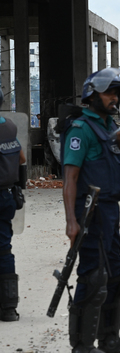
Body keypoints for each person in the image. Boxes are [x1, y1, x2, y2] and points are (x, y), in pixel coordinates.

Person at [62, 68, 120, 353]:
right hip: (89, 212)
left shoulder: (111, 128)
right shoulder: (80, 129)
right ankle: (82, 346)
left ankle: (110, 338)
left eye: (119, 94)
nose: (115, 99)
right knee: (93, 277)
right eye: (110, 93)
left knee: (115, 274)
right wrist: (71, 222)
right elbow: (70, 178)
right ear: (92, 94)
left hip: (110, 211)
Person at [0, 91, 27, 322]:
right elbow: (21, 158)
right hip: (6, 196)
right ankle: (8, 307)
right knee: (4, 248)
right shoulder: (9, 126)